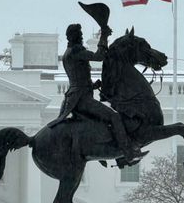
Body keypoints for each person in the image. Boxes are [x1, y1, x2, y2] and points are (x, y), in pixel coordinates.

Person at [49, 23, 143, 164]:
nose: (81, 36)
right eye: (80, 34)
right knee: (114, 116)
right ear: (74, 36)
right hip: (81, 100)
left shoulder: (68, 53)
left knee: (102, 122)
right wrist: (103, 35)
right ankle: (127, 153)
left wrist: (93, 86)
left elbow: (77, 80)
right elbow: (99, 56)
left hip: (76, 96)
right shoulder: (76, 51)